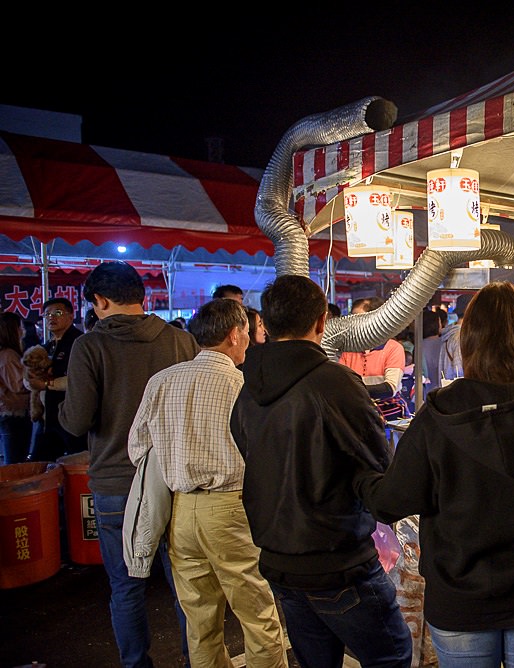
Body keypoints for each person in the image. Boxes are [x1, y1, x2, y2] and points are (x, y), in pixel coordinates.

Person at [355, 282, 514, 667]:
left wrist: (360, 473)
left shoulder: (439, 413)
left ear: (470, 339)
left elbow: (392, 501)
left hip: (461, 590)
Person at [229, 275, 411, 668]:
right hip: (337, 561)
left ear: (267, 325)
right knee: (392, 655)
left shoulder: (248, 388)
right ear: (321, 322)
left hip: (278, 559)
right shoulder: (336, 383)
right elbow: (379, 464)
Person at [127, 299, 287, 667]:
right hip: (231, 509)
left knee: (199, 622)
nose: (250, 339)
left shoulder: (162, 381)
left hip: (179, 510)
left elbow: (138, 448)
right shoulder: (244, 384)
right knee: (258, 616)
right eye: (248, 331)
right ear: (234, 334)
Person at [59, 260, 199, 668]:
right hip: (176, 479)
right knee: (187, 586)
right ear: (142, 297)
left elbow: (76, 419)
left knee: (126, 587)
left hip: (118, 484)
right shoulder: (180, 341)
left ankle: (137, 664)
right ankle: (198, 659)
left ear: (100, 301)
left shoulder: (90, 346)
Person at [25, 297, 87, 461]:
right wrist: (29, 381)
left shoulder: (79, 343)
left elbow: (80, 379)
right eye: (47, 315)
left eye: (57, 313)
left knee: (75, 464)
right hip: (48, 419)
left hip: (72, 418)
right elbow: (29, 375)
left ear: (70, 316)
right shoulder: (46, 346)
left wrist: (46, 384)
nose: (51, 317)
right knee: (40, 465)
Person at [0, 313, 31, 464]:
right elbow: (19, 385)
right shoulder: (9, 355)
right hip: (13, 414)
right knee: (15, 462)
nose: (23, 330)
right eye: (20, 326)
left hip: (10, 413)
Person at [440, 293, 472, 381]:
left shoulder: (450, 333)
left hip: (450, 389)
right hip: (459, 390)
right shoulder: (460, 336)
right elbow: (459, 370)